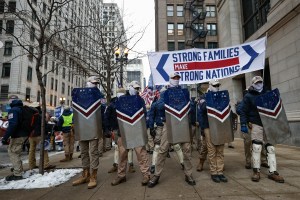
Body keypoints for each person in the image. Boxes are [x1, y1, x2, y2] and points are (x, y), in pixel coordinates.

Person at [148, 72, 196, 188]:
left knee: (187, 150)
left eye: (178, 77)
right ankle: (156, 175)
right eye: (174, 78)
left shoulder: (184, 92)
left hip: (183, 124)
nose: (176, 79)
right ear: (170, 79)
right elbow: (158, 106)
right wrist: (168, 101)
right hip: (168, 123)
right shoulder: (165, 93)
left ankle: (188, 174)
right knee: (162, 149)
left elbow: (191, 107)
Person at [240, 76, 284, 183]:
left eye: (260, 82)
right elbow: (243, 110)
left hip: (268, 124)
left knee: (271, 148)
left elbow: (276, 107)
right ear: (253, 84)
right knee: (256, 147)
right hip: (256, 123)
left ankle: (273, 172)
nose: (259, 84)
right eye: (256, 82)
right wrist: (243, 124)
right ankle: (256, 171)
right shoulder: (248, 96)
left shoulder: (268, 93)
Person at [111, 81, 150, 186]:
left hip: (137, 130)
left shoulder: (140, 100)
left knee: (141, 154)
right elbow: (115, 115)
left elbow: (144, 114)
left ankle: (146, 174)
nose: (137, 90)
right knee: (122, 154)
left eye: (138, 89)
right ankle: (121, 175)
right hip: (123, 131)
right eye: (135, 88)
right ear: (130, 87)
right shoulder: (120, 99)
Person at [72, 76, 103, 189]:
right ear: (88, 83)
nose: (95, 85)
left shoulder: (99, 95)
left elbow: (102, 110)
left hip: (94, 127)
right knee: (84, 152)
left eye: (96, 83)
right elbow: (75, 110)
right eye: (93, 83)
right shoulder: (79, 95)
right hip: (82, 127)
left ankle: (93, 176)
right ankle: (85, 174)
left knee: (93, 152)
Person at [199, 79, 228, 183]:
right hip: (208, 126)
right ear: (210, 86)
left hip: (220, 126)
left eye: (218, 85)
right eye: (215, 85)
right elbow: (202, 109)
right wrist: (210, 98)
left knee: (220, 150)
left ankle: (220, 172)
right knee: (212, 150)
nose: (217, 87)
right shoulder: (203, 97)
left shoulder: (222, 96)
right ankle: (214, 172)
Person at [105, 87, 136, 174]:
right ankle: (117, 165)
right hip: (117, 127)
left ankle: (130, 165)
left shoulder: (123, 102)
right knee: (118, 147)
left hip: (125, 127)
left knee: (128, 147)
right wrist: (107, 128)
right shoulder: (112, 104)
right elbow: (106, 116)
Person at [1, 98, 28, 181]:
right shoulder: (23, 110)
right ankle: (18, 169)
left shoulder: (13, 110)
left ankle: (17, 173)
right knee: (17, 152)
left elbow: (13, 124)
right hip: (25, 134)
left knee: (13, 152)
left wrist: (5, 137)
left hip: (17, 135)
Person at [28, 102, 56, 170]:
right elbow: (44, 125)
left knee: (31, 150)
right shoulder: (40, 115)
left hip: (31, 135)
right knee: (44, 149)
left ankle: (31, 165)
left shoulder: (29, 115)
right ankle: (46, 164)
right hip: (40, 135)